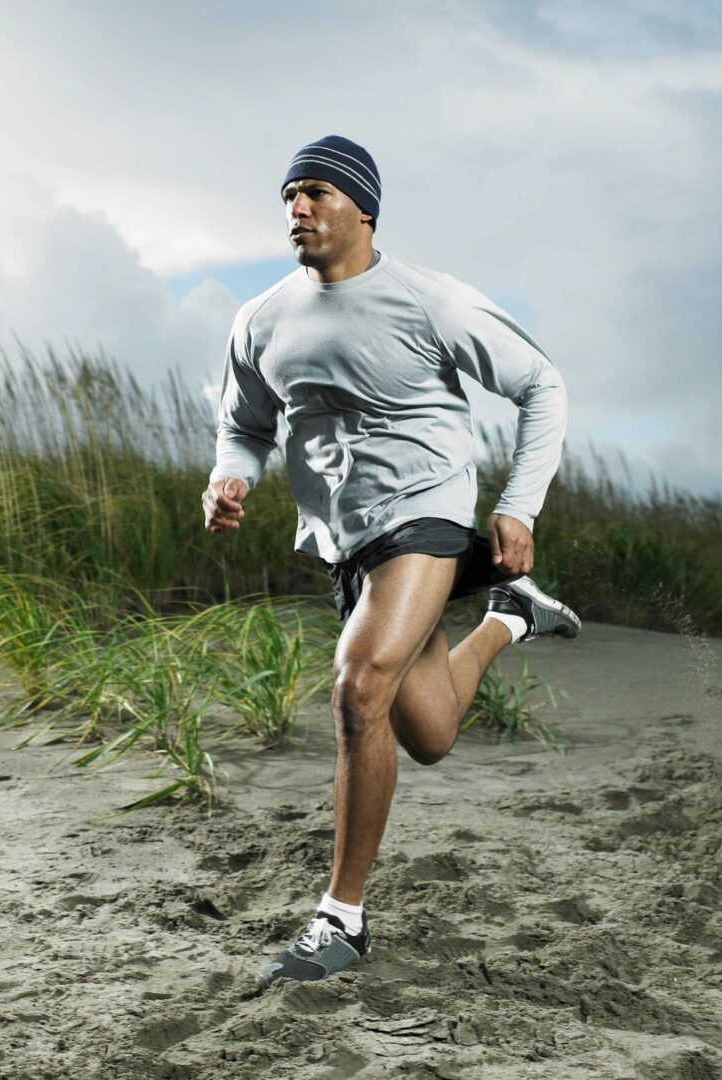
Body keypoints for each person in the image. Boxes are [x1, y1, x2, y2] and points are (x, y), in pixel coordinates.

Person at [202, 134, 581, 989]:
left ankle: (341, 920)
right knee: (429, 732)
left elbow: (540, 387)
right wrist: (230, 478)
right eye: (289, 196)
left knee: (356, 685)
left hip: (428, 514)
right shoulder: (261, 318)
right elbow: (246, 425)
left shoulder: (429, 302)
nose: (297, 208)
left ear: (362, 207)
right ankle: (509, 619)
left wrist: (516, 503)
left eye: (315, 193)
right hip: (345, 538)